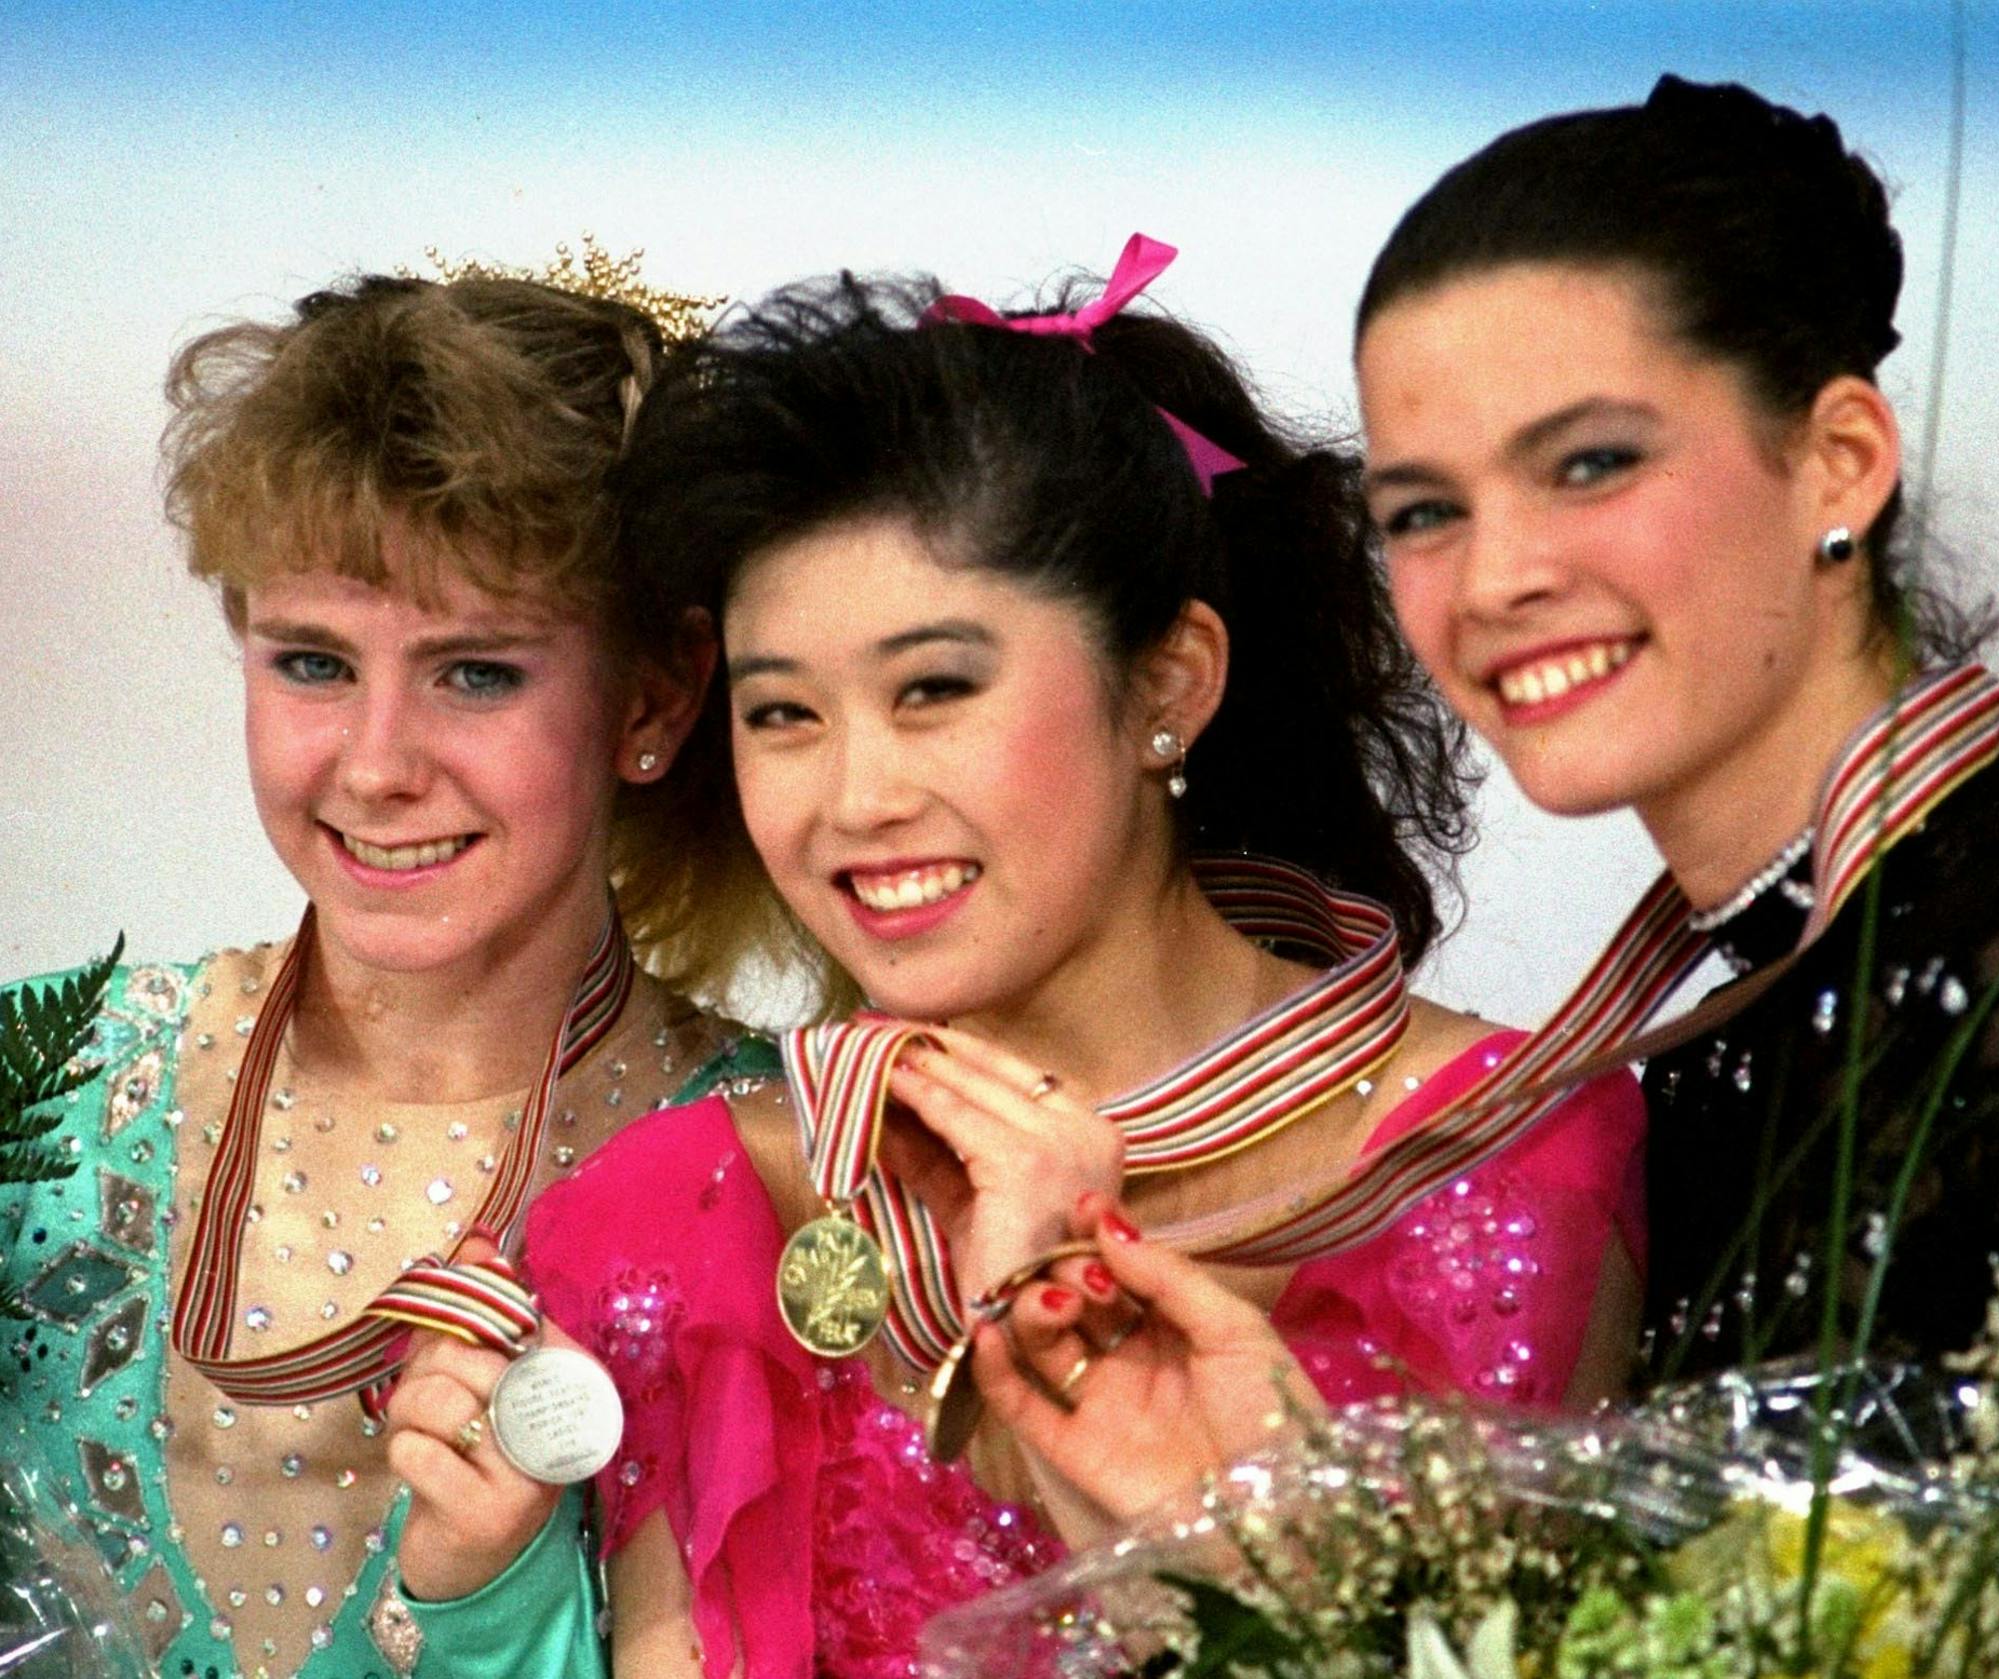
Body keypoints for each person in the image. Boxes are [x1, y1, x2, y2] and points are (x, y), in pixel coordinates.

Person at [407, 238, 1647, 1678]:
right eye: (784, 715)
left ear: (1168, 685)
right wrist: (479, 1600)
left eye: (935, 688)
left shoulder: (1489, 1158)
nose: (853, 799)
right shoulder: (673, 1215)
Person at [982, 76, 1999, 1530]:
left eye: (1589, 464)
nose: (1495, 578)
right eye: (1425, 510)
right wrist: (1267, 1545)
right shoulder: (1727, 1041)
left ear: (1840, 464)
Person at [0, 270, 782, 1679]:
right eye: (311, 662)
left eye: (474, 673)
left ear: (655, 696)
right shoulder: (41, 1087)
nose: (374, 763)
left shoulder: (781, 1168)